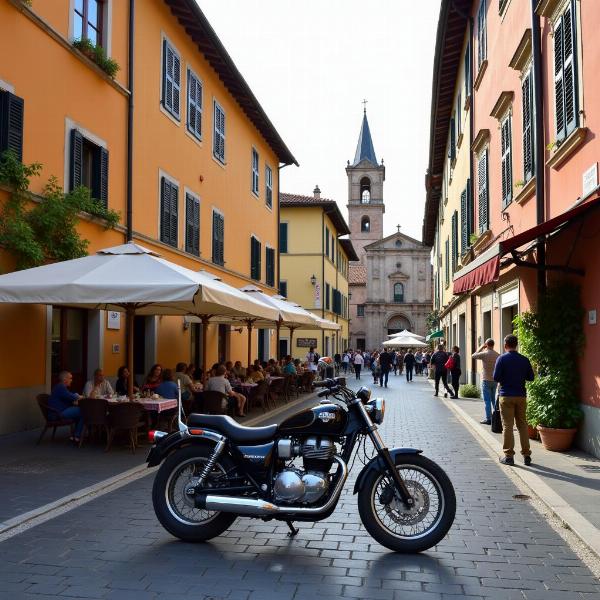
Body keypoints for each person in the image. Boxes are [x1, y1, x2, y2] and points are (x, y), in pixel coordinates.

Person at [493, 334, 535, 466]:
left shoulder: (501, 359)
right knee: (522, 425)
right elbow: (531, 377)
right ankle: (527, 455)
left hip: (506, 396)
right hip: (521, 396)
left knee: (507, 426)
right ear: (516, 345)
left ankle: (509, 456)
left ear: (506, 345)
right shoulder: (524, 359)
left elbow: (495, 377)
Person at [49, 371, 83, 443]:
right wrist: (79, 396)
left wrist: (75, 396)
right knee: (83, 411)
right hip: (58, 413)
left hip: (59, 411)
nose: (71, 380)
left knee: (79, 412)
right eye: (70, 378)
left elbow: (69, 396)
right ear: (65, 379)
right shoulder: (61, 387)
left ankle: (75, 435)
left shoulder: (60, 387)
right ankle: (77, 436)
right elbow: (72, 397)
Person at [472, 339, 500, 425]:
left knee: (487, 400)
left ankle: (489, 419)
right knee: (493, 399)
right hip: (494, 380)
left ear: (486, 345)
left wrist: (481, 347)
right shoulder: (497, 355)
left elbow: (473, 355)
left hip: (486, 380)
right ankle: (496, 417)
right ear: (493, 345)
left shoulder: (484, 353)